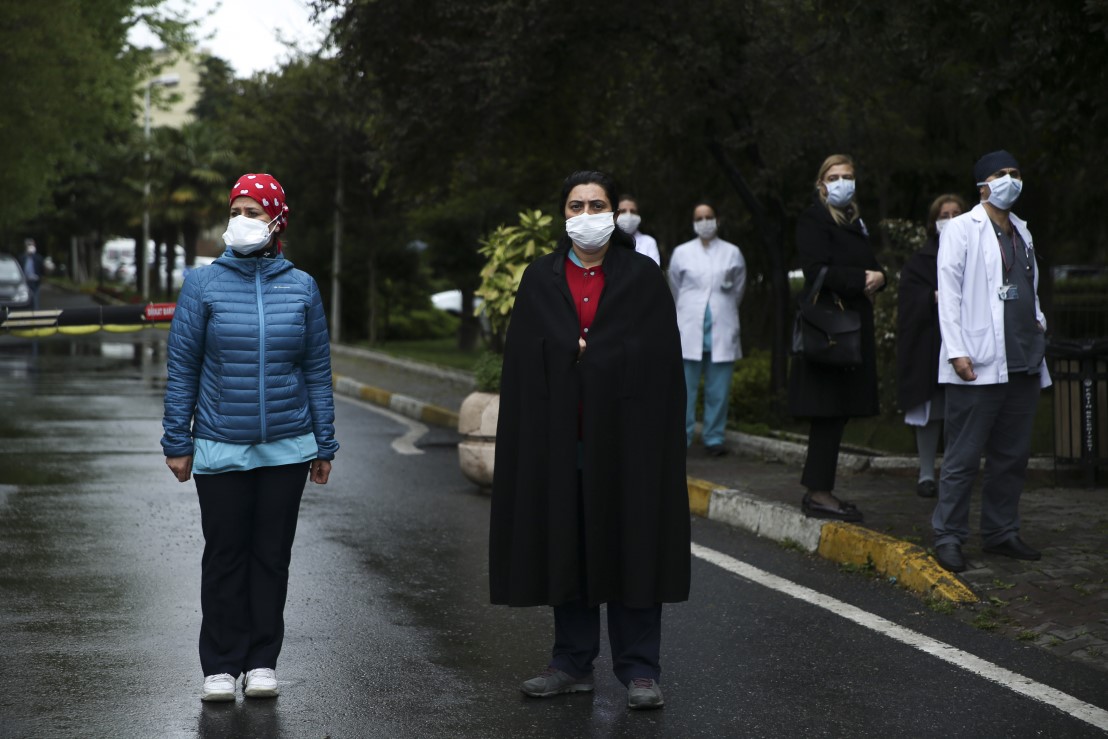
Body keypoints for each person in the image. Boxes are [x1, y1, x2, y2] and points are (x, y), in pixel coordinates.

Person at [489, 170, 690, 711]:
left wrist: (593, 354)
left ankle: (640, 669)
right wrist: (567, 350)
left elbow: (658, 358)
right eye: (575, 206)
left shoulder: (642, 276)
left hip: (628, 444)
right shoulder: (540, 277)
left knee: (632, 545)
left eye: (596, 205)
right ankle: (571, 663)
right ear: (563, 215)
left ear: (615, 212)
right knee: (568, 545)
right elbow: (525, 358)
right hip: (561, 442)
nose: (586, 215)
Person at [161, 173, 339, 702]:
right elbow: (182, 368)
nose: (241, 221)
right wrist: (177, 441)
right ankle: (220, 665)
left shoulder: (302, 286)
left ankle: (262, 661)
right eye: (236, 211)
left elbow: (317, 371)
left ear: (276, 221)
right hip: (220, 445)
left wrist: (324, 443)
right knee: (225, 556)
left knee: (271, 557)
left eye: (254, 212)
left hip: (287, 447)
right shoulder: (202, 284)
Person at [932, 151, 1049, 573]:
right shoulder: (962, 228)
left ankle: (1001, 533)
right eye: (1001, 174)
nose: (1010, 180)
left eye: (1015, 173)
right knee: (963, 458)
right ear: (983, 184)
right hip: (977, 362)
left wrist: (1039, 326)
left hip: (1023, 359)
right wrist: (956, 350)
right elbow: (949, 294)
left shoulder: (1022, 231)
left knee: (1012, 457)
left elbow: (1029, 288)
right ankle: (948, 536)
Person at [787, 154, 886, 522]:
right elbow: (817, 270)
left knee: (838, 412)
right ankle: (818, 493)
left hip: (850, 329)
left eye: (847, 176)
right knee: (827, 412)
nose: (842, 182)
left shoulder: (853, 221)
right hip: (830, 329)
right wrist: (862, 279)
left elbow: (871, 264)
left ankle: (820, 490)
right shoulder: (814, 219)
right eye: (833, 177)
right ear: (821, 184)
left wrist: (881, 277)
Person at [896, 194, 968, 498]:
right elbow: (908, 300)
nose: (950, 220)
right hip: (929, 346)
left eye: (956, 214)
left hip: (968, 343)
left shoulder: (976, 253)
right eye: (944, 215)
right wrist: (933, 298)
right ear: (933, 222)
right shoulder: (920, 261)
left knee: (959, 412)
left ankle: (954, 473)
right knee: (932, 410)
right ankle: (926, 473)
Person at [668, 203, 747, 456]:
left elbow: (738, 288)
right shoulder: (681, 252)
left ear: (717, 220)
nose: (705, 221)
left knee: (718, 391)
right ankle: (682, 437)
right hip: (689, 327)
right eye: (699, 218)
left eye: (709, 217)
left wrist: (723, 306)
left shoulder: (732, 252)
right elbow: (675, 287)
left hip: (722, 326)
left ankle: (714, 438)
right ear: (693, 223)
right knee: (684, 390)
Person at [616, 195, 661, 266]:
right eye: (623, 211)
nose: (628, 215)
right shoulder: (608, 242)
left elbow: (654, 270)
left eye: (633, 211)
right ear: (615, 215)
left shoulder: (649, 242)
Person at [21, 239, 45, 309]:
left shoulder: (38, 258)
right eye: (28, 245)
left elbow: (42, 269)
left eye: (31, 245)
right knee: (25, 299)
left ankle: (35, 313)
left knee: (35, 300)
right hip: (25, 282)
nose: (30, 247)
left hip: (35, 282)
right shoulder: (22, 258)